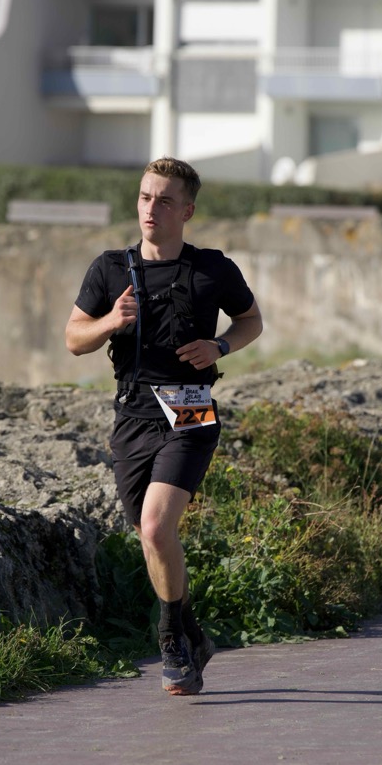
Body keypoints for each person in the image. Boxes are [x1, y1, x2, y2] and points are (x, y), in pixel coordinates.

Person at [65, 157, 263, 696]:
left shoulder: (213, 268)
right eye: (145, 197)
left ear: (187, 211)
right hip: (131, 413)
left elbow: (251, 321)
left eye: (165, 200)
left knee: (155, 527)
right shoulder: (110, 268)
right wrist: (111, 321)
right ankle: (193, 634)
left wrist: (219, 345)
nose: (151, 209)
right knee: (149, 537)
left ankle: (170, 639)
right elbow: (74, 338)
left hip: (190, 406)